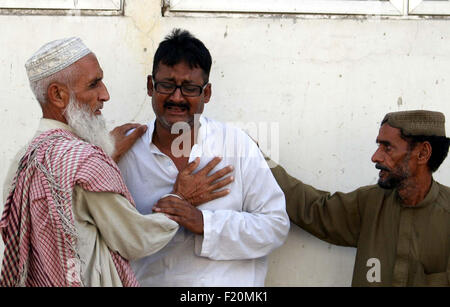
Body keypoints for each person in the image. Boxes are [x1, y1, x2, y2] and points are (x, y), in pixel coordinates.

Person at [0, 37, 232, 287]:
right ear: (57, 94)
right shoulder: (84, 161)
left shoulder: (25, 158)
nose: (105, 94)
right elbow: (136, 239)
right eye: (94, 84)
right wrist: (180, 198)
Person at [117, 29, 290, 287]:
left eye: (189, 88)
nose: (177, 97)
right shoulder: (126, 153)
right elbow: (111, 236)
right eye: (167, 85)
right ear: (150, 86)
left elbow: (275, 226)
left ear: (206, 93)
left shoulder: (235, 145)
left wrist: (205, 223)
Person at [269, 110, 450, 286]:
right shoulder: (369, 203)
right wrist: (258, 161)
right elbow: (314, 209)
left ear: (423, 153)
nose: (375, 157)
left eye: (387, 147)